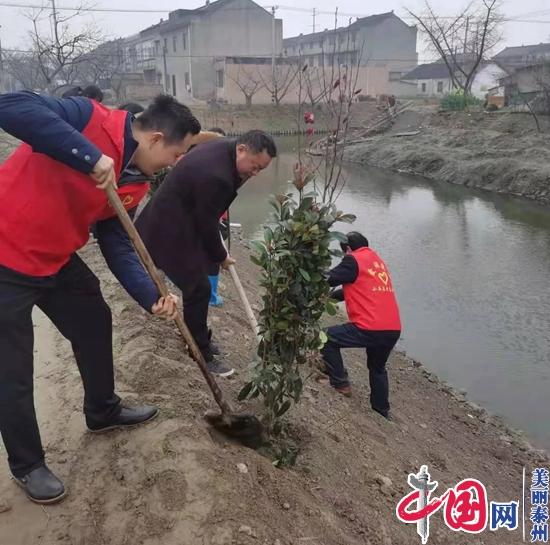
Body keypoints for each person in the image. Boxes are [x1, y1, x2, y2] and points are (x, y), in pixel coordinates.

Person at [0, 91, 201, 504]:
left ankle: (102, 410)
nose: (175, 165)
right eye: (177, 154)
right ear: (156, 138)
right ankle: (28, 465)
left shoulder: (136, 179)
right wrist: (87, 155)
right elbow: (9, 107)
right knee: (13, 370)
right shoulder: (86, 116)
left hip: (55, 258)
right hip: (5, 256)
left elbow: (117, 244)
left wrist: (152, 296)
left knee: (94, 319)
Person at [136, 130, 277, 377]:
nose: (255, 174)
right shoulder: (218, 177)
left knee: (198, 281)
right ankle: (198, 351)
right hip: (167, 233)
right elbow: (208, 224)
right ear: (242, 149)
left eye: (260, 170)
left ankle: (200, 338)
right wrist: (221, 256)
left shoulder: (224, 148)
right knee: (198, 288)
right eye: (254, 167)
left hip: (176, 221)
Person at [321, 231, 401, 420]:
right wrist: (330, 297)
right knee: (377, 368)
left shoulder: (352, 260)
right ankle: (381, 411)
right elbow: (356, 287)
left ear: (347, 249)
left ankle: (340, 384)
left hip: (369, 327)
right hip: (392, 329)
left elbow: (329, 278)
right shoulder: (376, 262)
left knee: (325, 338)